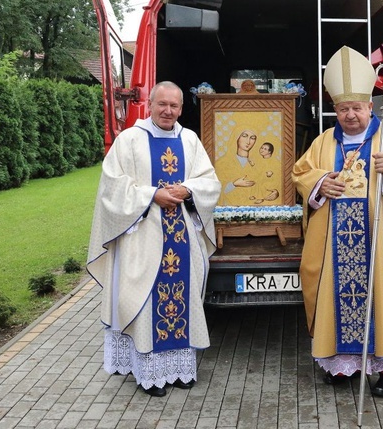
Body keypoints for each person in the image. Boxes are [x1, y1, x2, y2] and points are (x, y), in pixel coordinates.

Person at [292, 46, 383, 397]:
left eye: (357, 107)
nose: (350, 115)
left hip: (381, 242)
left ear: (370, 106)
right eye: (343, 108)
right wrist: (321, 182)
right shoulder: (323, 142)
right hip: (333, 244)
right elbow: (300, 173)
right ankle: (344, 366)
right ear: (334, 110)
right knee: (337, 294)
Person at [87, 81, 221, 397]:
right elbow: (111, 188)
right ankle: (149, 374)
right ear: (149, 103)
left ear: (180, 108)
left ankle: (179, 371)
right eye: (162, 104)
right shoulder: (130, 140)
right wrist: (152, 195)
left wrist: (189, 190)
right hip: (143, 240)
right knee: (146, 302)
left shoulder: (189, 140)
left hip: (182, 239)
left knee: (184, 302)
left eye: (174, 106)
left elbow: (209, 182)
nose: (168, 111)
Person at [217, 127, 258, 205]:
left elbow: (261, 183)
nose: (248, 141)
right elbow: (215, 189)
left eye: (252, 138)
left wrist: (273, 192)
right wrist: (234, 184)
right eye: (244, 136)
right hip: (227, 209)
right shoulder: (222, 162)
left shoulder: (256, 163)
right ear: (237, 137)